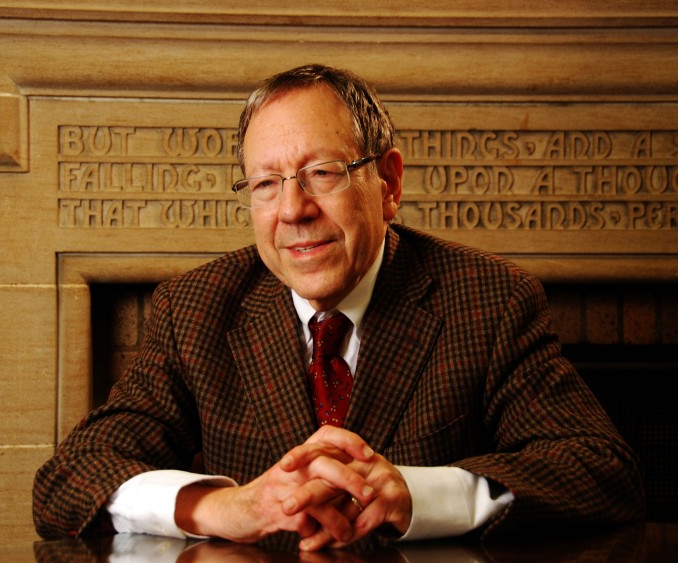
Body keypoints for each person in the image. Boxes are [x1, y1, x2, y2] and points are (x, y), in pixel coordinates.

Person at [33, 64, 644, 551]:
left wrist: (419, 495)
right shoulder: (194, 307)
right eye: (266, 183)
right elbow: (68, 479)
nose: (293, 209)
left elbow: (600, 469)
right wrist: (225, 506)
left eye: (321, 172)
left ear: (389, 185)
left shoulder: (487, 298)